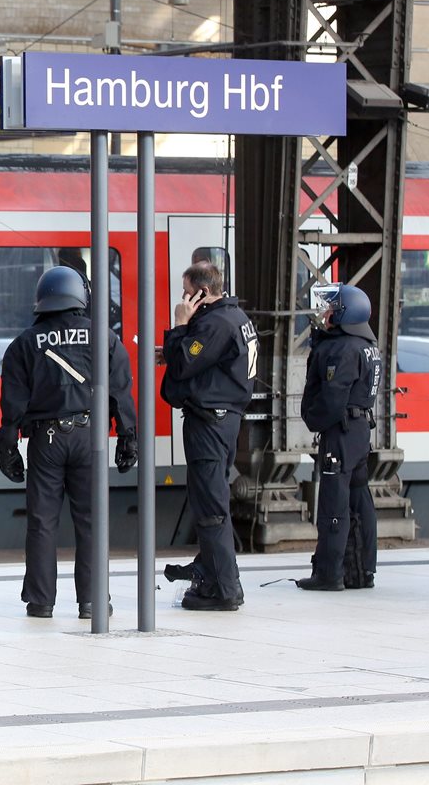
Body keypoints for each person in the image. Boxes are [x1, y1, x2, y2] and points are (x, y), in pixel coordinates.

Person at [0, 266, 137, 619]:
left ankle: (41, 601)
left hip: (46, 438)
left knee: (42, 521)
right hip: (90, 437)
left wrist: (8, 444)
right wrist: (127, 434)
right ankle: (91, 601)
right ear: (80, 295)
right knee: (90, 519)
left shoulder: (24, 344)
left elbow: (13, 402)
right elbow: (120, 388)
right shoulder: (103, 337)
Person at [160, 261, 257, 611]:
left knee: (211, 507)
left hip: (209, 424)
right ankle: (218, 575)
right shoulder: (235, 318)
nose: (184, 298)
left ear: (201, 292)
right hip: (225, 421)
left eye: (187, 292)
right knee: (213, 502)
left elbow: (186, 361)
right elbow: (199, 359)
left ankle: (223, 590)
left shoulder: (214, 323)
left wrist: (179, 325)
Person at [298, 283, 381, 590]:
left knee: (334, 501)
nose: (326, 312)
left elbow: (332, 399)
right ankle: (362, 571)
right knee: (360, 499)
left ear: (348, 314)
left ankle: (330, 573)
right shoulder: (366, 345)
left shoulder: (343, 349)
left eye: (333, 308)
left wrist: (313, 420)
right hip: (360, 431)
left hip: (341, 432)